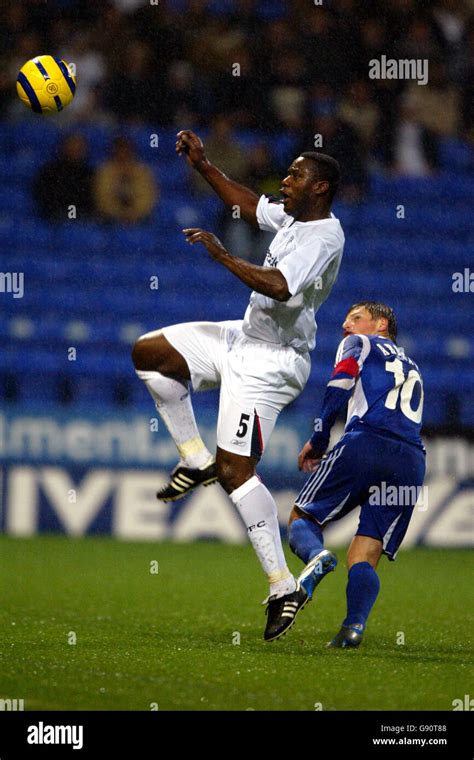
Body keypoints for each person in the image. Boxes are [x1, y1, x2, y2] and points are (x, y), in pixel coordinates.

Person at [131, 129, 345, 641]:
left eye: (297, 175)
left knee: (236, 470)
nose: (286, 181)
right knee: (150, 354)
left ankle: (281, 586)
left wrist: (223, 256)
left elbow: (280, 285)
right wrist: (204, 166)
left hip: (273, 362)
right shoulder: (295, 217)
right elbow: (250, 205)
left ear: (321, 188)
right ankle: (191, 455)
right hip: (243, 337)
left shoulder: (325, 236)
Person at [279, 302, 425, 647]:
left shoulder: (362, 343)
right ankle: (352, 628)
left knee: (303, 517)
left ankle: (316, 556)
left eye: (355, 318)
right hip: (411, 459)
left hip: (367, 442)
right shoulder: (412, 364)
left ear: (381, 323)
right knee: (365, 552)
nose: (346, 324)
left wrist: (319, 437)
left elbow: (339, 385)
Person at [94, 136, 158, 224]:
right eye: (119, 151)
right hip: (111, 221)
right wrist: (120, 214)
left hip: (139, 220)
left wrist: (133, 213)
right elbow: (103, 198)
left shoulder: (142, 172)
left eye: (125, 151)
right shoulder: (105, 172)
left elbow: (147, 198)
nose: (123, 154)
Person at [33, 133, 94, 222]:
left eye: (78, 148)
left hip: (81, 218)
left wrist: (73, 213)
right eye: (72, 146)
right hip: (54, 216)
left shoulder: (89, 173)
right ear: (64, 148)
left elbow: (90, 200)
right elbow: (43, 194)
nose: (75, 150)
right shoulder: (50, 171)